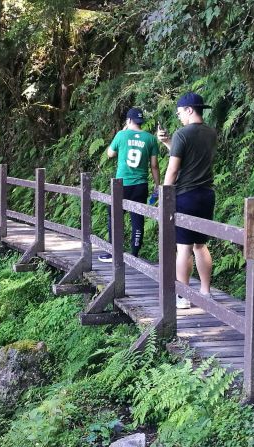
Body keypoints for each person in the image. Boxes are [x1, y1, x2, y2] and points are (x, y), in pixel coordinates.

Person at [158, 91, 217, 309]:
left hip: (185, 195)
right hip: (206, 195)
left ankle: (182, 297)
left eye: (180, 112)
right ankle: (205, 292)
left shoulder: (182, 134)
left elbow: (173, 170)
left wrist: (164, 193)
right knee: (200, 245)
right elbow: (192, 158)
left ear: (189, 110)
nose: (179, 116)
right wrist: (168, 143)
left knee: (183, 247)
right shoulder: (211, 133)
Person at [101, 107, 160, 263]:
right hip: (141, 184)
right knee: (137, 216)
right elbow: (154, 165)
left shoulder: (121, 135)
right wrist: (157, 185)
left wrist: (123, 131)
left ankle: (113, 252)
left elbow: (110, 154)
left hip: (122, 184)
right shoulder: (151, 139)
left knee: (114, 215)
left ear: (128, 120)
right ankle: (134, 254)